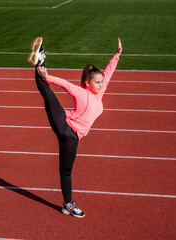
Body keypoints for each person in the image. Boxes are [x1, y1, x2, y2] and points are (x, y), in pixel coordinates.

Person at [27, 37, 122, 218]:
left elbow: (108, 73)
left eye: (101, 82)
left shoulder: (99, 93)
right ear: (87, 83)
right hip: (66, 130)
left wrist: (116, 55)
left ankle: (67, 204)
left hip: (72, 134)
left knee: (65, 170)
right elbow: (65, 85)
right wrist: (48, 77)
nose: (101, 85)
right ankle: (40, 60)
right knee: (46, 91)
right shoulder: (81, 91)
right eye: (97, 82)